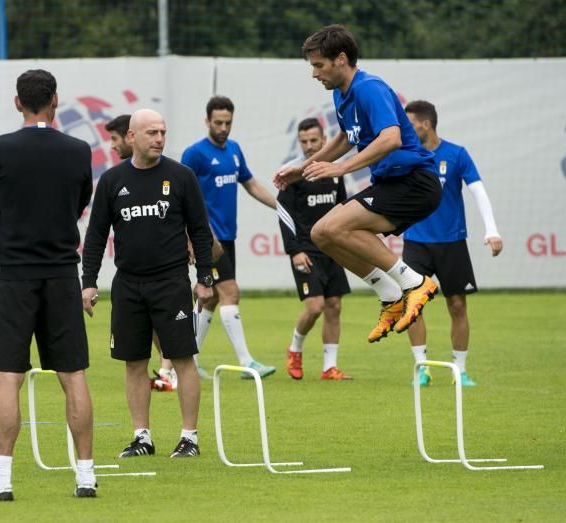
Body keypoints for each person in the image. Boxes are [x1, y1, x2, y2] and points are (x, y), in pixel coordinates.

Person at [273, 24, 442, 345]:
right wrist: (302, 167)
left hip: (414, 183)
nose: (314, 74)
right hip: (394, 184)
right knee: (323, 233)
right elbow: (344, 138)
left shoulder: (369, 88)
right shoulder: (341, 93)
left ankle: (414, 282)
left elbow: (391, 138)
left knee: (333, 227)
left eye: (318, 65)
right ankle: (390, 293)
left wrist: (340, 168)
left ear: (340, 59)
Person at [0, 69, 97, 501]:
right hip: (63, 273)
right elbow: (81, 201)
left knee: (10, 377)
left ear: (17, 102)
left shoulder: (1, 148)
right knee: (73, 375)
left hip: (13, 275)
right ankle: (85, 476)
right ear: (55, 100)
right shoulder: (79, 150)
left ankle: (2, 482)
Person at [82, 109, 215, 460]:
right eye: (151, 132)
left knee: (184, 359)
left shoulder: (181, 176)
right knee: (134, 362)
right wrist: (89, 282)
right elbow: (95, 236)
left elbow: (201, 231)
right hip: (127, 285)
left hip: (171, 282)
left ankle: (190, 437)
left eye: (162, 132)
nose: (158, 138)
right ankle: (142, 436)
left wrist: (204, 278)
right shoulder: (112, 181)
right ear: (132, 137)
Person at [402, 100, 503, 387]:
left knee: (457, 305)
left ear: (425, 124)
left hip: (452, 242)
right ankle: (421, 368)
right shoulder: (406, 154)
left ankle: (460, 370)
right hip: (416, 242)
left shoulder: (456, 154)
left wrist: (491, 230)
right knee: (413, 305)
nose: (406, 130)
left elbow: (478, 191)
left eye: (410, 124)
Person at [181, 96, 278, 379]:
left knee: (209, 299)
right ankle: (247, 362)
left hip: (227, 238)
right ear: (207, 121)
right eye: (218, 122)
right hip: (207, 239)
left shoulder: (234, 150)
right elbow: (183, 198)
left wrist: (279, 205)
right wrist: (195, 237)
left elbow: (250, 184)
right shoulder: (194, 154)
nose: (223, 128)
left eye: (228, 123)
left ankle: (187, 360)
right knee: (230, 291)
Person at [277, 118, 353, 381]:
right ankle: (295, 349)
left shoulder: (332, 172)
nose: (309, 146)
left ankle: (329, 367)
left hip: (332, 249)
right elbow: (283, 213)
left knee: (334, 306)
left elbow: (343, 208)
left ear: (324, 140)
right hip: (305, 252)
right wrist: (294, 250)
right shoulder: (293, 174)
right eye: (304, 141)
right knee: (315, 306)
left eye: (313, 141)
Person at [106, 114, 176, 393]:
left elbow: (186, 216)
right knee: (149, 334)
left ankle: (172, 368)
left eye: (114, 139)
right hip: (132, 281)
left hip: (169, 275)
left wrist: (196, 242)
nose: (112, 145)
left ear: (129, 136)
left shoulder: (174, 174)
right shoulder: (116, 179)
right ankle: (168, 369)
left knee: (224, 293)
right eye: (153, 132)